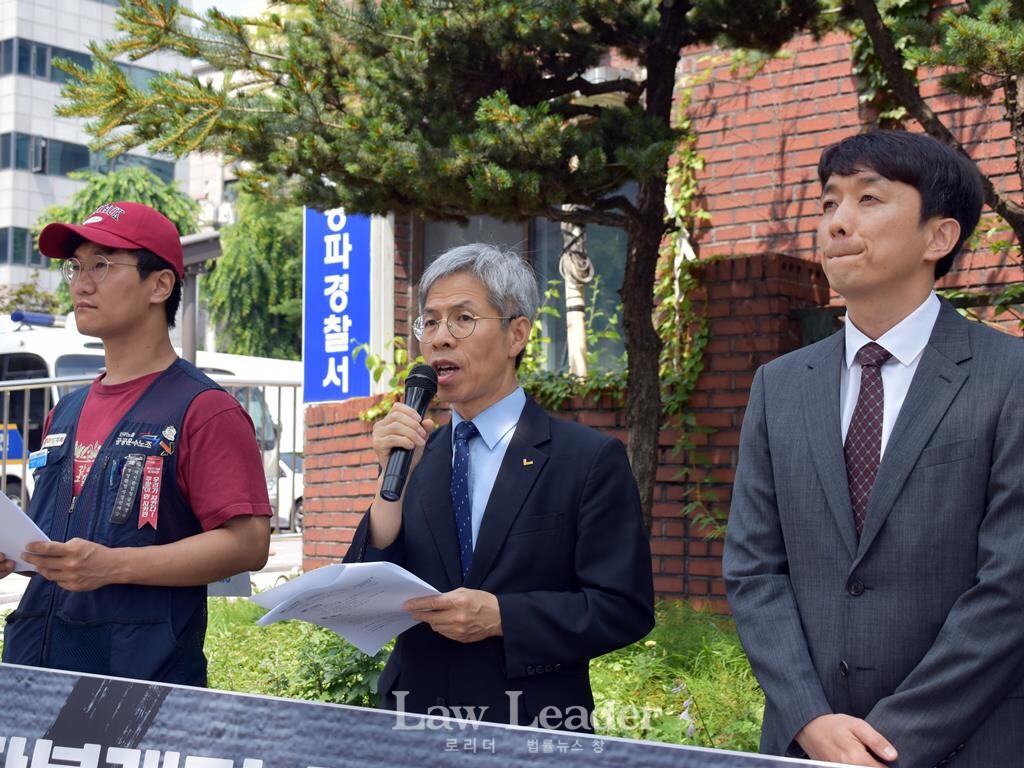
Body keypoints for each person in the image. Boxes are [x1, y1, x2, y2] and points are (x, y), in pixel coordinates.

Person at [724, 130, 1024, 767]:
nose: (838, 222)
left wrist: (892, 742)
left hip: (969, 745)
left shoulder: (1010, 377)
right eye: (829, 202)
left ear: (939, 237)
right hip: (806, 745)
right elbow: (754, 570)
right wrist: (809, 718)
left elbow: (1012, 586)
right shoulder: (779, 385)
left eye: (869, 199)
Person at [345, 243, 654, 730]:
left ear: (517, 334)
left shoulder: (587, 459)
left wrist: (504, 617)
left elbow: (624, 608)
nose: (440, 338)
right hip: (414, 722)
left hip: (533, 724)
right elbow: (364, 591)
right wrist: (391, 481)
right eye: (430, 321)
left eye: (462, 318)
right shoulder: (417, 455)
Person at [0, 201, 272, 686]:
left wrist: (112, 566)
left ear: (161, 284)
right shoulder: (66, 410)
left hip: (140, 686)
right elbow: (60, 550)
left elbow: (248, 544)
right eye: (75, 267)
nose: (82, 283)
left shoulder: (205, 409)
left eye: (102, 264)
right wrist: (20, 557)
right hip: (33, 676)